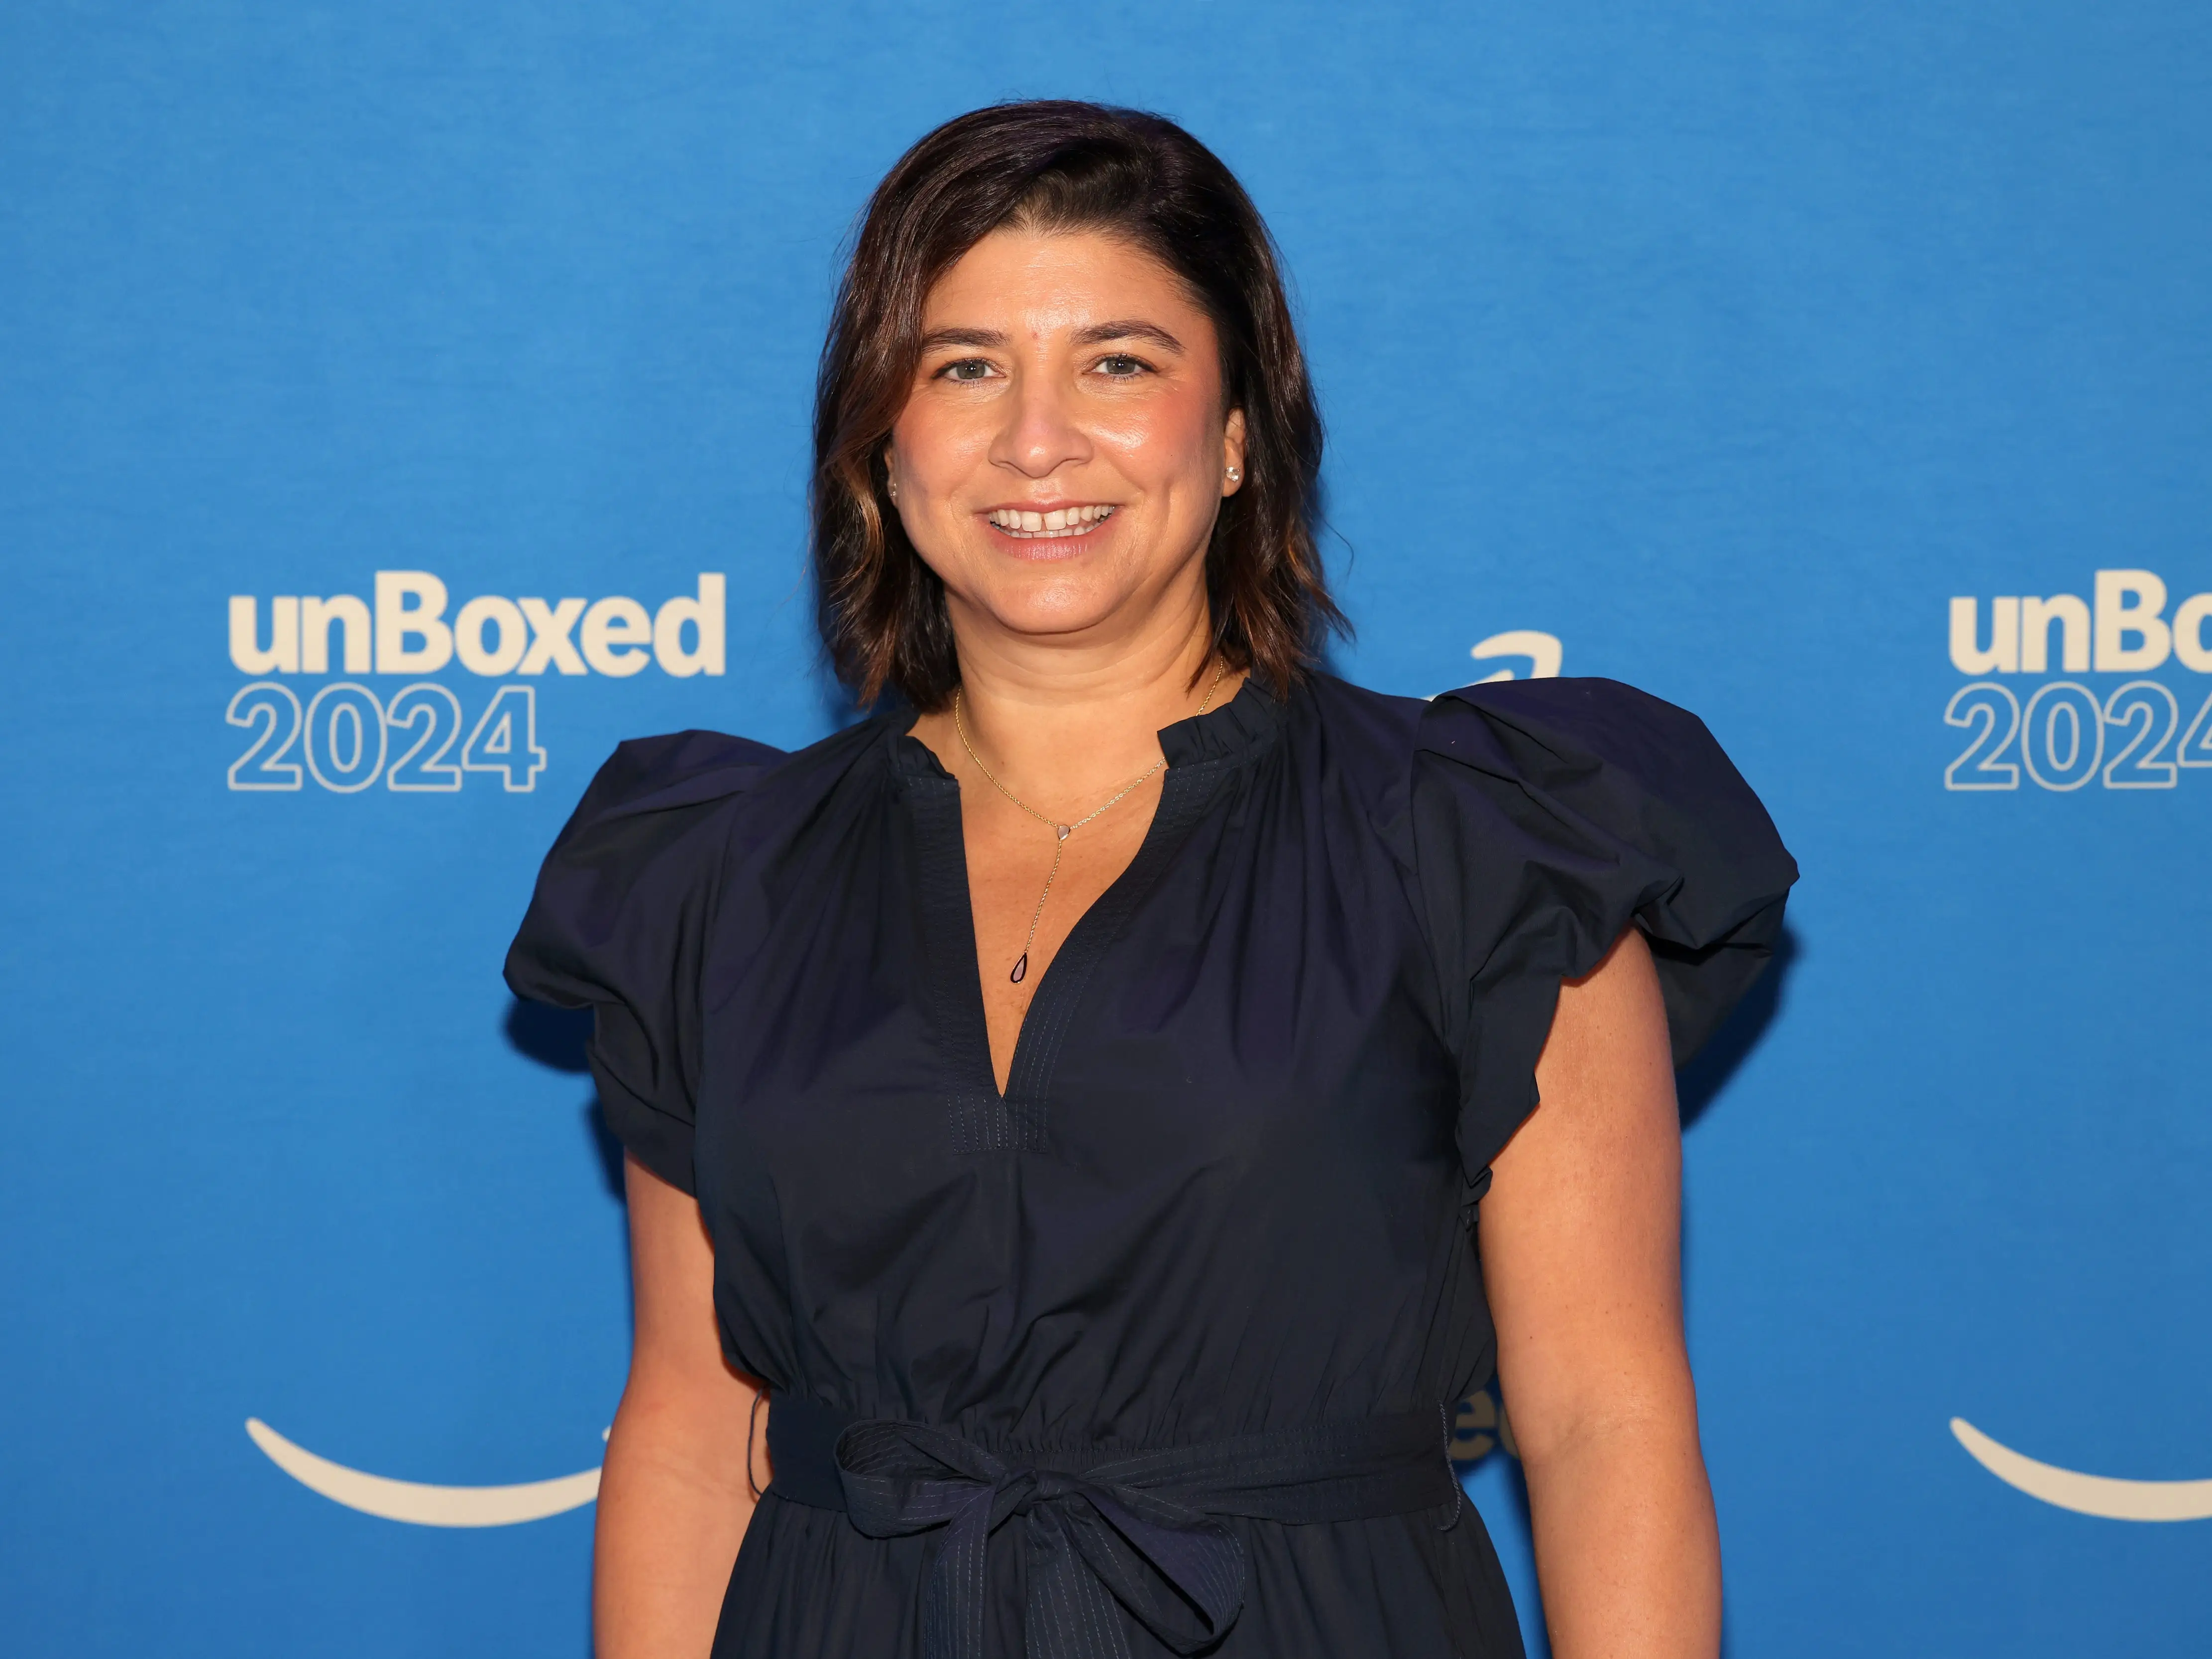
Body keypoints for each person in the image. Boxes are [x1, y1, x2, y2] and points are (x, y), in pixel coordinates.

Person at [508, 100, 1796, 1659]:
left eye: (1119, 362)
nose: (1036, 439)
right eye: (962, 364)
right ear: (880, 440)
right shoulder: (715, 874)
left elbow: (1602, 1417)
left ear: (1241, 429)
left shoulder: (1479, 835)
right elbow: (693, 1433)